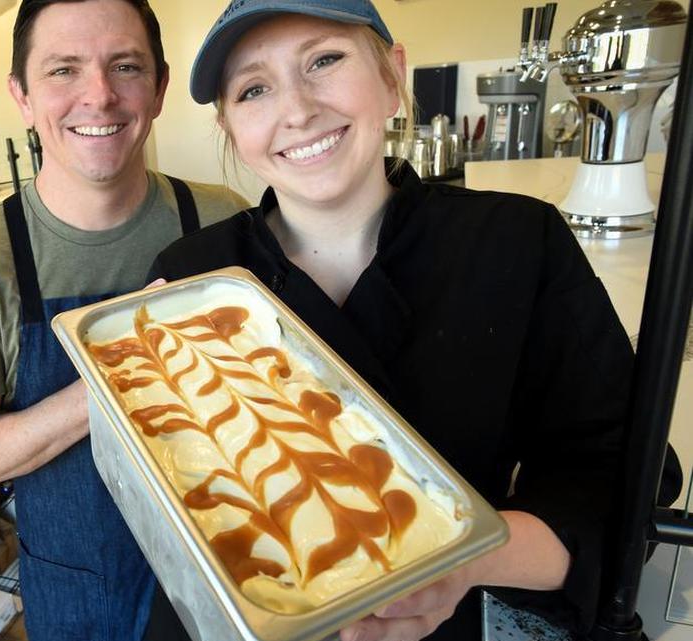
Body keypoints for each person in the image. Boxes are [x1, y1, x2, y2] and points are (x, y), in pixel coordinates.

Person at [149, 1, 679, 639]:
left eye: (324, 60)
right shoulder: (194, 278)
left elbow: (618, 476)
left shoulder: (513, 241)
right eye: (254, 88)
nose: (295, 110)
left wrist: (459, 563)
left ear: (392, 77)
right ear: (231, 128)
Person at [0, 1, 248, 639]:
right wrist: (123, 368)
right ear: (21, 95)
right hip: (79, 592)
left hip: (230, 573)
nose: (98, 96)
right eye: (63, 70)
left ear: (159, 88)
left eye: (125, 66)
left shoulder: (221, 220)